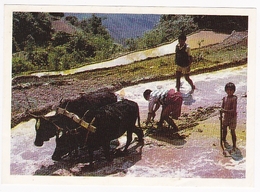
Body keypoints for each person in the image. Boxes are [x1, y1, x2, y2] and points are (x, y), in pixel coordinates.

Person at [221, 82, 238, 152]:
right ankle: (223, 140)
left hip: (232, 118)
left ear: (234, 91)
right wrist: (221, 114)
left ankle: (234, 145)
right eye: (227, 90)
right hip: (226, 117)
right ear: (225, 90)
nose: (229, 92)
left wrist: (224, 111)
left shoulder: (234, 98)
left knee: (232, 131)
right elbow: (222, 107)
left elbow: (234, 110)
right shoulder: (224, 98)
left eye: (231, 90)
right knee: (224, 129)